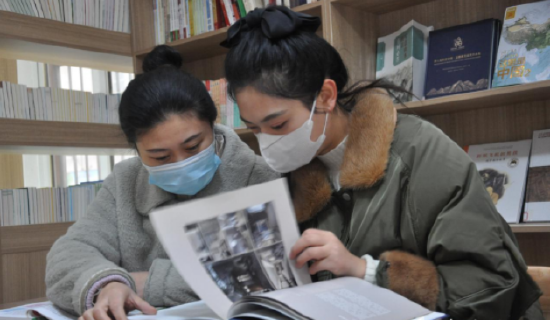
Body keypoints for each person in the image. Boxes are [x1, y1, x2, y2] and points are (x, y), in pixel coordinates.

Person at [222, 6, 543, 319]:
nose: (268, 145)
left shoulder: (421, 152)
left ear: (326, 96)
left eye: (277, 125)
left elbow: (493, 284)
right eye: (254, 129)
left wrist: (367, 271)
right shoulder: (293, 175)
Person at [45, 45, 278, 320]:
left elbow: (264, 272)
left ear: (213, 127)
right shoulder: (126, 181)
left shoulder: (261, 177)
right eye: (160, 156)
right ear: (137, 151)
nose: (180, 162)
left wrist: (149, 282)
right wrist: (107, 283)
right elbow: (68, 255)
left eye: (193, 147)